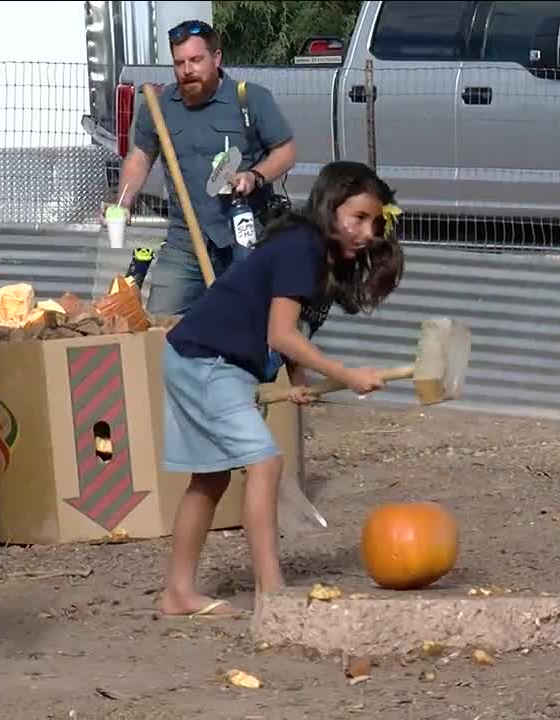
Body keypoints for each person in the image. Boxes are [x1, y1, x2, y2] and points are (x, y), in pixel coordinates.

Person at [157, 160, 405, 617]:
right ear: (330, 207)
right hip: (208, 362)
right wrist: (346, 374)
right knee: (265, 463)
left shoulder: (313, 251)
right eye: (359, 218)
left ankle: (178, 592)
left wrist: (299, 377)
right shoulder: (301, 248)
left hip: (199, 355)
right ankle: (271, 593)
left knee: (209, 478)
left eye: (375, 222)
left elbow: (285, 327)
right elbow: (281, 334)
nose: (368, 232)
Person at [115, 18, 298, 316]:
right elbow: (140, 157)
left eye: (196, 60)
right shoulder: (159, 107)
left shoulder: (249, 98)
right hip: (184, 242)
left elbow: (286, 151)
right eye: (179, 63)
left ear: (216, 58)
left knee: (251, 332)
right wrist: (123, 203)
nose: (187, 70)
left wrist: (255, 176)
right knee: (161, 328)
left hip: (243, 239)